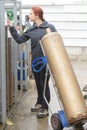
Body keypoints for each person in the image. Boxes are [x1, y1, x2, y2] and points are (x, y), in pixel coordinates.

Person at [7, 6, 57, 118]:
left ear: (37, 15)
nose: (29, 16)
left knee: (44, 85)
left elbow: (56, 43)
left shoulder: (49, 27)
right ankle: (39, 103)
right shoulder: (31, 29)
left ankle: (45, 108)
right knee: (38, 85)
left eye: (30, 14)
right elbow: (19, 40)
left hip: (46, 62)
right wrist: (11, 28)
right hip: (36, 62)